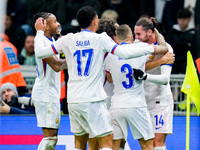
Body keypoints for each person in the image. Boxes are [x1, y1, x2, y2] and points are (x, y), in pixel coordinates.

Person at [34, 6, 168, 150]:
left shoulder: (68, 39)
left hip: (73, 100)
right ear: (94, 22)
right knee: (106, 142)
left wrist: (39, 32)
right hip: (93, 99)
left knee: (79, 143)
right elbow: (125, 54)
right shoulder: (100, 38)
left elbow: (40, 52)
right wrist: (152, 48)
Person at [134, 17, 174, 150]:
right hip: (142, 101)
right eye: (135, 33)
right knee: (147, 144)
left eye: (139, 34)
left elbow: (164, 79)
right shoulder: (137, 47)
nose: (136, 37)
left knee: (157, 144)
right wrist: (161, 61)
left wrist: (144, 76)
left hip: (160, 101)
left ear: (150, 32)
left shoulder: (167, 48)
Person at [31, 12, 67, 150]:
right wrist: (76, 59)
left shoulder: (51, 41)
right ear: (45, 26)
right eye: (55, 21)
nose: (58, 24)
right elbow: (57, 65)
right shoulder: (42, 41)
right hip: (46, 94)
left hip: (50, 93)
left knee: (51, 138)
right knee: (50, 138)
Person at [165, 8, 195, 74]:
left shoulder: (193, 33)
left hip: (188, 61)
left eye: (184, 18)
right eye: (180, 18)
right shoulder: (172, 32)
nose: (182, 21)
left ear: (189, 19)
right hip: (174, 61)